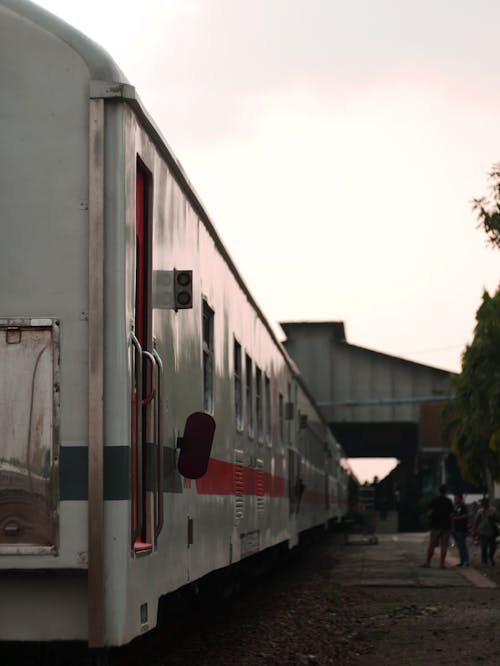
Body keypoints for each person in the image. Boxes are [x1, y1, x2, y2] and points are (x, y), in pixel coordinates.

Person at [422, 484, 454, 568]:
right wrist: (452, 526)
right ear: (445, 491)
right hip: (446, 526)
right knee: (444, 546)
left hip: (435, 525)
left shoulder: (434, 500)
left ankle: (428, 563)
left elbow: (430, 513)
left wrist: (429, 519)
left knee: (432, 545)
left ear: (438, 491)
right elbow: (451, 515)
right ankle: (442, 564)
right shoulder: (449, 501)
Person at [473, 498, 500, 566]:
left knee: (492, 548)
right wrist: (474, 530)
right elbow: (476, 521)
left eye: (484, 503)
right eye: (482, 503)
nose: (482, 504)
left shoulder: (493, 510)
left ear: (487, 503)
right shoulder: (480, 511)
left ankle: (490, 558)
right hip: (482, 532)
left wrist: (493, 519)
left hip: (492, 532)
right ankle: (484, 561)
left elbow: (498, 519)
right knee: (484, 547)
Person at [451, 493, 469, 566]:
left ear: (460, 499)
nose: (455, 500)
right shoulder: (456, 507)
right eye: (454, 498)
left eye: (456, 498)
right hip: (456, 529)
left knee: (463, 546)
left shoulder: (463, 506)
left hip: (462, 529)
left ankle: (466, 561)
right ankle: (462, 561)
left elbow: (466, 515)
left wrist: (457, 518)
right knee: (459, 546)